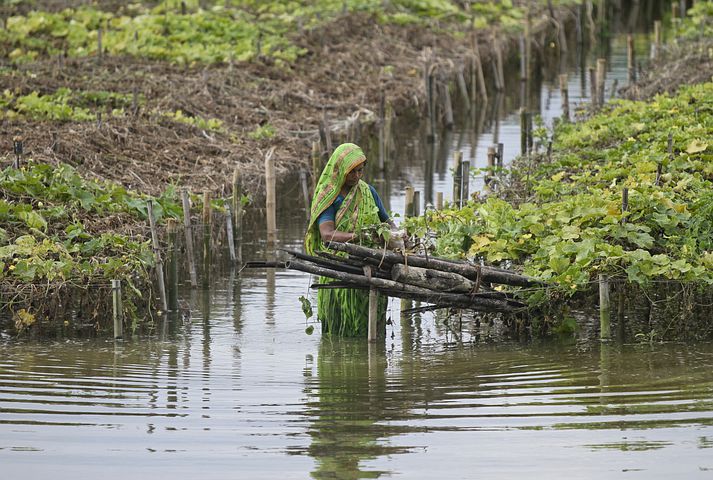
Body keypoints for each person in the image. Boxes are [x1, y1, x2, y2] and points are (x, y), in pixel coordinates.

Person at [304, 143, 390, 337]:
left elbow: (387, 223)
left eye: (360, 171)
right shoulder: (329, 196)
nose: (357, 176)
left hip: (370, 267)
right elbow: (327, 234)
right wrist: (359, 236)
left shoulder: (368, 192)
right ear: (340, 169)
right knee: (338, 329)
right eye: (352, 172)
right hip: (339, 268)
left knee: (371, 327)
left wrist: (397, 235)